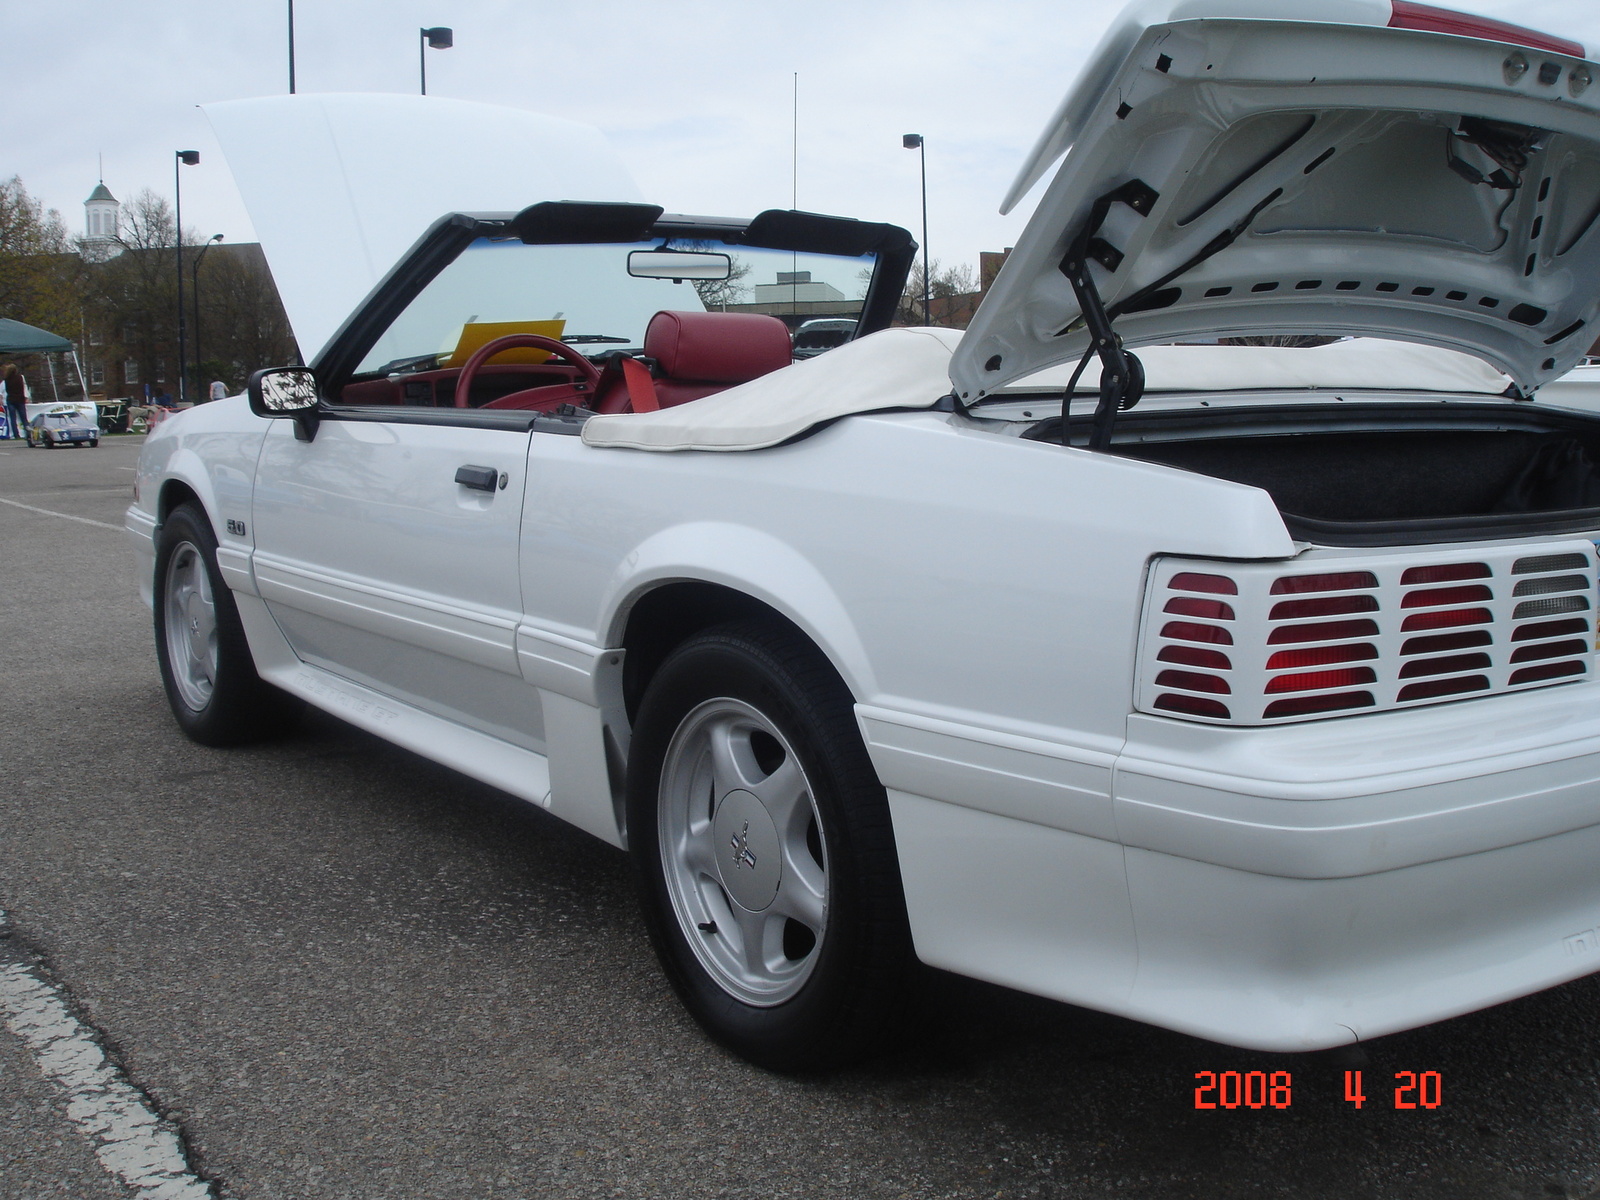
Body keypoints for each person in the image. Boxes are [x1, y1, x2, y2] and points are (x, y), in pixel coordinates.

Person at [3, 363, 27, 442]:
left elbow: (6, 390)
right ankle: (28, 433)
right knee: (23, 418)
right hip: (20, 399)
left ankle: (16, 434)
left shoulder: (6, 379)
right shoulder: (20, 377)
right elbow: (24, 387)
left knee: (13, 418)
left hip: (11, 399)